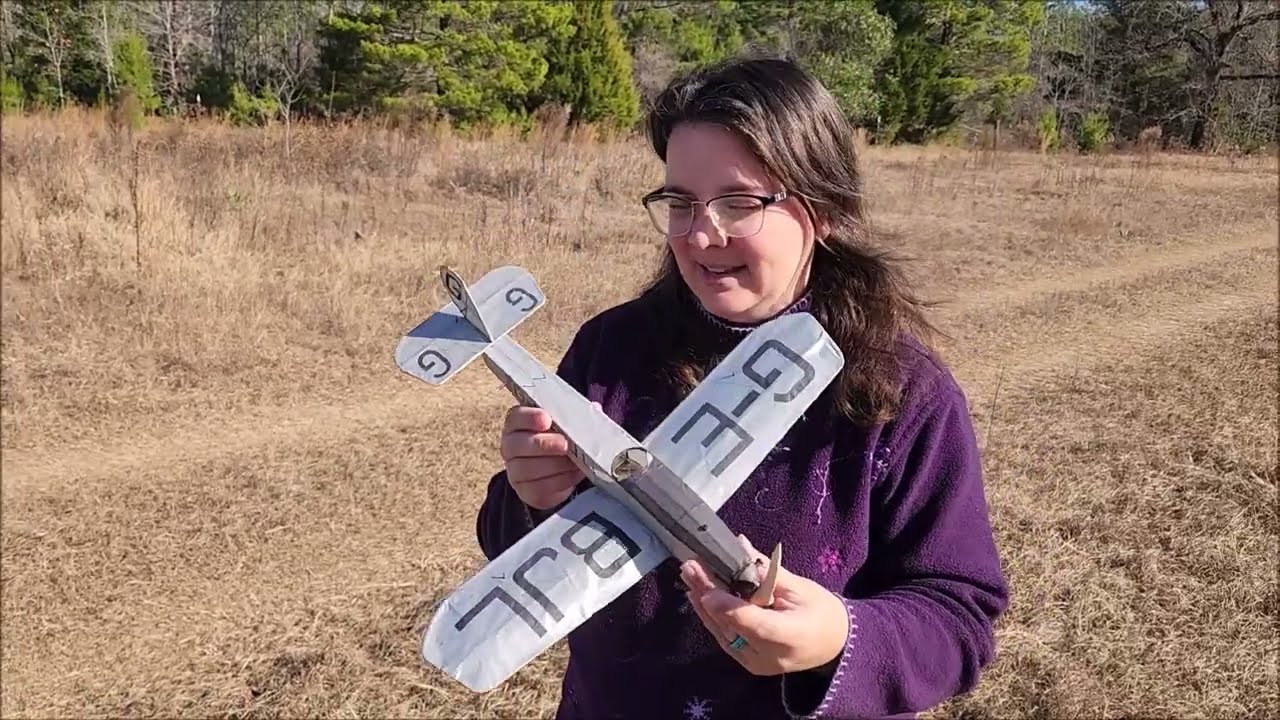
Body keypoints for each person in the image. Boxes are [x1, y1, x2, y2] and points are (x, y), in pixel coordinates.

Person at [474, 52, 1009, 720]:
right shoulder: (611, 349)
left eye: (739, 201)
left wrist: (839, 639)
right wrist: (531, 498)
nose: (702, 234)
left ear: (825, 210)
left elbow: (959, 616)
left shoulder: (902, 392)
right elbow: (510, 544)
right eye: (680, 202)